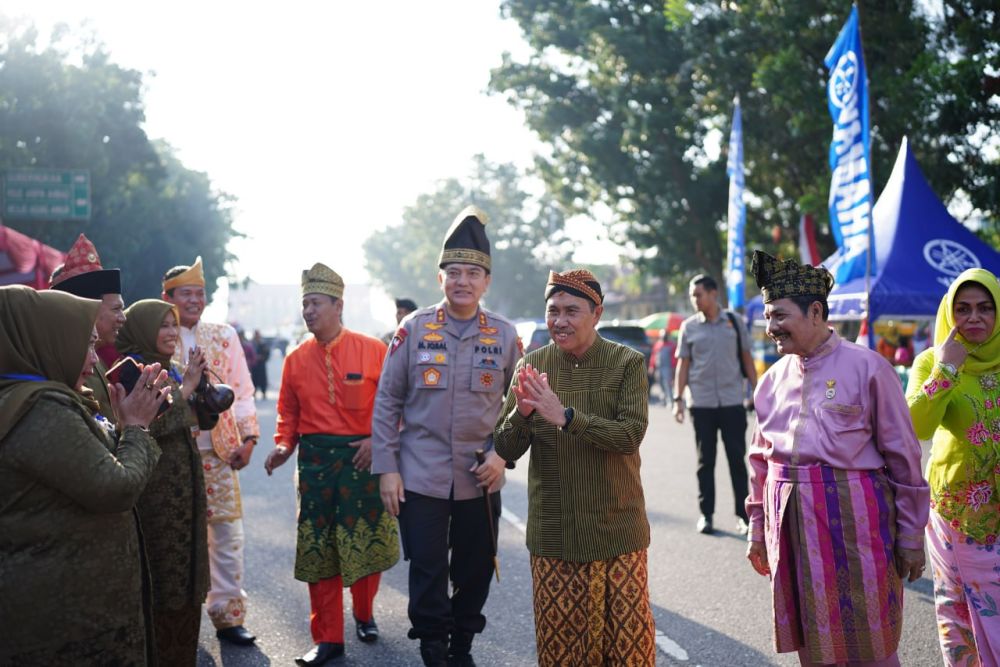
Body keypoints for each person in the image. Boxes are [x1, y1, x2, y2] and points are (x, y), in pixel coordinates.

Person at [745, 250, 928, 666]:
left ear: (815, 312)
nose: (771, 328)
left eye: (779, 316)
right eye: (768, 318)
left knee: (871, 640)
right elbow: (759, 461)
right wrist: (758, 529)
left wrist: (911, 537)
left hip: (854, 521)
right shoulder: (771, 380)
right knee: (811, 640)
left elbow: (903, 456)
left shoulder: (869, 368)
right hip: (789, 522)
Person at [371, 206, 520, 667]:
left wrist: (503, 456)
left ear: (486, 282)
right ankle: (434, 648)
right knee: (429, 568)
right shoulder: (413, 330)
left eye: (472, 273)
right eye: (453, 272)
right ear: (440, 279)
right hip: (421, 472)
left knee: (475, 568)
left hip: (481, 473)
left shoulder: (506, 334)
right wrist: (387, 470)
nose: (462, 281)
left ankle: (462, 645)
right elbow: (387, 402)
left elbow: (521, 409)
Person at [490, 269, 655, 666]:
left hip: (617, 532)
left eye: (571, 311)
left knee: (627, 650)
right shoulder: (532, 366)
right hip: (555, 536)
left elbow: (629, 436)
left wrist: (565, 416)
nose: (559, 321)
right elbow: (505, 446)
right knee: (561, 651)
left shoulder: (626, 364)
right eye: (553, 311)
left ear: (596, 313)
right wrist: (524, 414)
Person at [0, 285, 168, 665]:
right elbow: (115, 488)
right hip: (68, 620)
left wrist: (126, 425)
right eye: (86, 344)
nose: (93, 361)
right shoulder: (41, 409)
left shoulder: (32, 398)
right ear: (47, 340)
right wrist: (137, 427)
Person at [264, 263, 400, 666]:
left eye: (315, 302)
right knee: (319, 549)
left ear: (338, 305)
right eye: (304, 303)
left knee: (366, 541)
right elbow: (288, 411)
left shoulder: (374, 350)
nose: (308, 310)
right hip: (316, 464)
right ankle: (327, 638)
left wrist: (379, 440)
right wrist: (283, 445)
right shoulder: (294, 359)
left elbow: (397, 406)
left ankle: (364, 612)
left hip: (364, 461)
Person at [162, 256, 261, 645]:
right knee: (175, 536)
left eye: (199, 294)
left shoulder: (224, 335)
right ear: (166, 297)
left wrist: (250, 439)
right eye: (186, 294)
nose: (194, 301)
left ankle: (228, 616)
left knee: (226, 535)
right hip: (171, 452)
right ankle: (175, 620)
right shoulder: (152, 335)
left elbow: (243, 388)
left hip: (219, 452)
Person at [906, 268, 1000, 663]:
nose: (974, 318)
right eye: (963, 309)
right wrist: (946, 370)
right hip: (956, 516)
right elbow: (915, 425)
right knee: (958, 615)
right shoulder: (931, 360)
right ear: (949, 312)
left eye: (984, 308)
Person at [115, 299, 211, 666]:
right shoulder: (131, 373)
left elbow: (188, 420)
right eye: (163, 325)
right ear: (142, 329)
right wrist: (185, 391)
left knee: (187, 584)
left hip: (183, 496)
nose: (172, 332)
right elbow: (145, 425)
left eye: (174, 325)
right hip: (155, 501)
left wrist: (196, 388)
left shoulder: (166, 369)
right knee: (162, 586)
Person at [673, 273, 757, 534]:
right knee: (705, 462)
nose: (694, 300)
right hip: (702, 404)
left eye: (698, 295)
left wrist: (756, 391)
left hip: (732, 403)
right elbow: (682, 365)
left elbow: (746, 358)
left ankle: (744, 517)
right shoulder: (689, 327)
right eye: (692, 296)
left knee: (736, 460)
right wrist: (678, 400)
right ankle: (706, 515)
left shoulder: (734, 322)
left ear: (713, 294)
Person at [49, 233, 126, 423]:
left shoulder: (95, 359)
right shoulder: (68, 364)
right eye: (116, 309)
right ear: (89, 309)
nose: (123, 318)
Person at [650, 328, 676, 406]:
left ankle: (670, 401)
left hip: (667, 367)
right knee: (660, 384)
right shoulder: (657, 344)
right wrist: (652, 366)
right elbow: (653, 356)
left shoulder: (672, 345)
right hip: (659, 367)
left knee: (667, 384)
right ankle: (663, 400)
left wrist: (673, 368)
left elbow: (674, 358)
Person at [250, 329, 272, 400]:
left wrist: (262, 357)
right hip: (254, 365)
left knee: (262, 380)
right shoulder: (251, 344)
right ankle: (254, 393)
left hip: (261, 364)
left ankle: (263, 392)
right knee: (254, 380)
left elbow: (267, 353)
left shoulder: (263, 344)